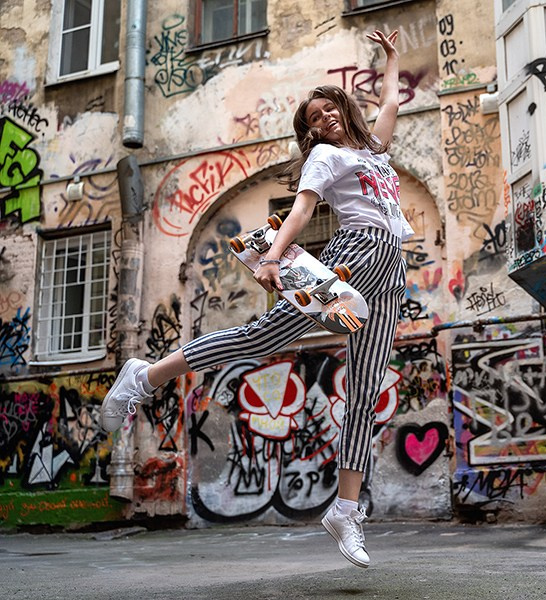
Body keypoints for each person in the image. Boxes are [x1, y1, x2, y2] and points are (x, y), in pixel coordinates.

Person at [100, 29, 411, 569]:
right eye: (313, 119)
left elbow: (389, 102)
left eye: (329, 109)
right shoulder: (324, 160)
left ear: (343, 108)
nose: (324, 119)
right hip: (353, 256)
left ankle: (344, 508)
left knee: (364, 392)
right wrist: (271, 259)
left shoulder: (374, 150)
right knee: (261, 336)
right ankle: (145, 376)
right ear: (309, 134)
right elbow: (301, 211)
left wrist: (394, 59)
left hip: (392, 271)